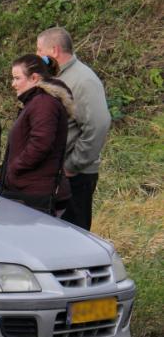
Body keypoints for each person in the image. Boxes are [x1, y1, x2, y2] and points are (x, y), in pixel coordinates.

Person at [36, 27, 111, 230]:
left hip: (76, 176)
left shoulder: (83, 80)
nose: (36, 55)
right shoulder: (56, 77)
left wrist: (73, 165)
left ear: (55, 51)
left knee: (74, 234)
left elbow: (98, 124)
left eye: (39, 50)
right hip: (55, 174)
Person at [0, 54, 72, 215]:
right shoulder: (36, 102)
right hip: (29, 191)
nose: (13, 84)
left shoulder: (44, 103)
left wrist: (15, 168)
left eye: (17, 78)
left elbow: (41, 144)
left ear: (34, 78)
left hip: (35, 195)